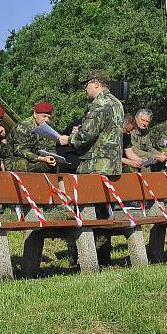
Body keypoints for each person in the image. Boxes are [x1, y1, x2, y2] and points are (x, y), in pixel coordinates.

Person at [57, 70, 125, 264]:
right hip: (112, 165)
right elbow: (104, 132)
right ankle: (103, 255)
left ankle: (83, 256)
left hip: (95, 165)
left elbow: (86, 137)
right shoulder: (117, 103)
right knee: (103, 212)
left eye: (86, 84)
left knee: (84, 211)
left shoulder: (100, 104)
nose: (85, 88)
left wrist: (68, 138)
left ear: (95, 83)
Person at [3, 101, 58, 172]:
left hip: (35, 158)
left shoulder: (48, 128)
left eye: (49, 117)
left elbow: (51, 147)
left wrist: (52, 157)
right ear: (35, 114)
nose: (47, 120)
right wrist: (41, 158)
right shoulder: (24, 127)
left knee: (54, 165)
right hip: (12, 158)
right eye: (44, 116)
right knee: (23, 164)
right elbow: (20, 151)